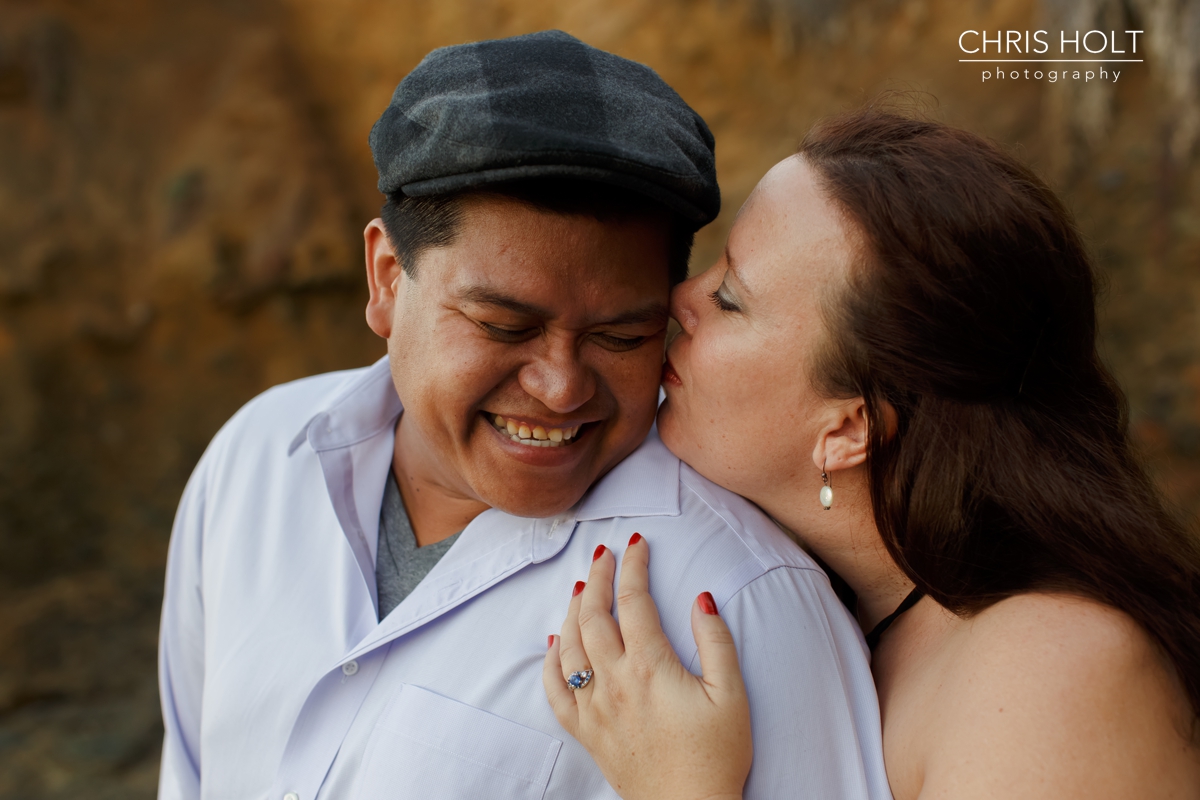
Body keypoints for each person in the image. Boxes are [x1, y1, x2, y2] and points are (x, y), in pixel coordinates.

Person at [157, 32, 892, 800]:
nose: (560, 388)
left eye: (621, 337)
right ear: (384, 280)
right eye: (503, 327)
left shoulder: (738, 598)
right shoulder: (255, 461)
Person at [545, 108, 1200, 799]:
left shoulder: (1051, 670)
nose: (681, 297)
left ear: (847, 431)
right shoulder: (871, 615)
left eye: (732, 298)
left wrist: (682, 785)